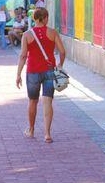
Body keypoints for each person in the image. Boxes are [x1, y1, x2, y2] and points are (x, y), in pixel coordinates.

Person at [16, 7, 66, 143]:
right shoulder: (53, 33)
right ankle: (47, 134)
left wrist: (18, 74)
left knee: (33, 101)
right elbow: (62, 51)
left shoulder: (27, 35)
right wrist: (60, 65)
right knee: (48, 101)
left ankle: (31, 129)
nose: (47, 20)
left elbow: (22, 56)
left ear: (34, 19)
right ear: (44, 18)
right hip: (49, 70)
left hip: (32, 71)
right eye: (47, 17)